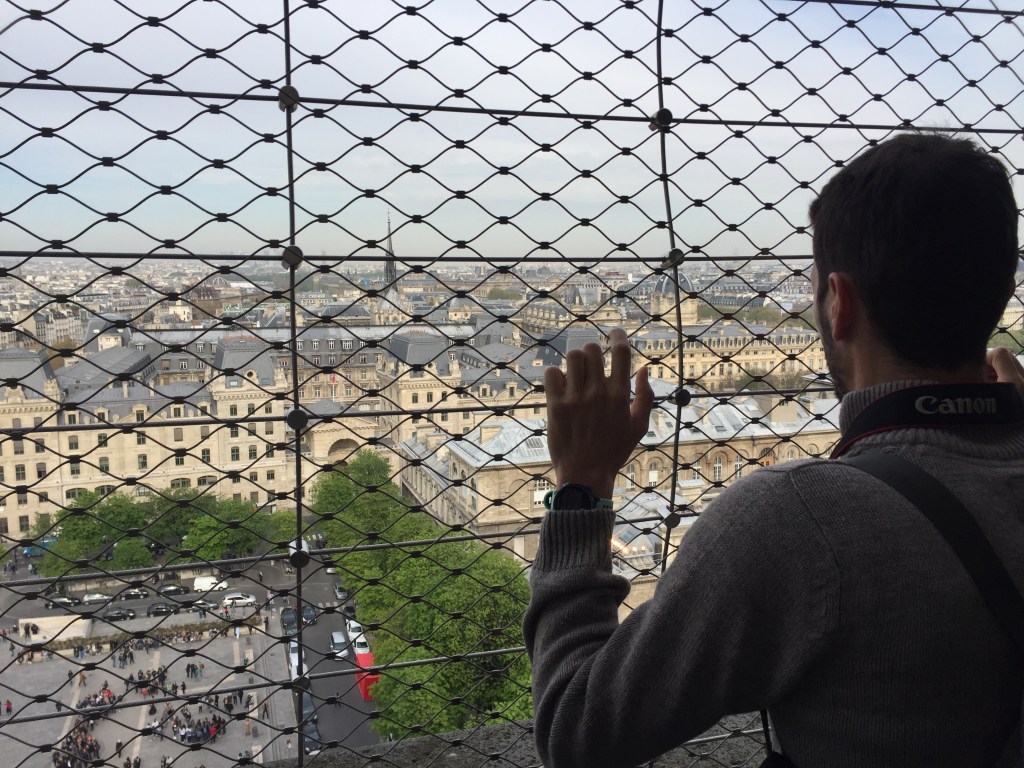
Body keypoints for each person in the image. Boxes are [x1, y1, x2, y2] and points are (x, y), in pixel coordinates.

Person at [524, 133, 1024, 768]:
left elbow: (576, 731)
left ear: (839, 304)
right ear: (999, 292)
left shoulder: (798, 520)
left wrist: (580, 486)